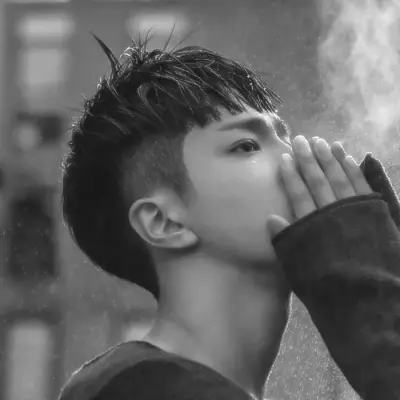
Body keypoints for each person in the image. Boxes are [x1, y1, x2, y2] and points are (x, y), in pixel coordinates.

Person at [59, 35, 400, 400]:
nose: (295, 157)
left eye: (285, 137)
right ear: (164, 222)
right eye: (246, 146)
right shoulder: (139, 390)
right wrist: (373, 299)